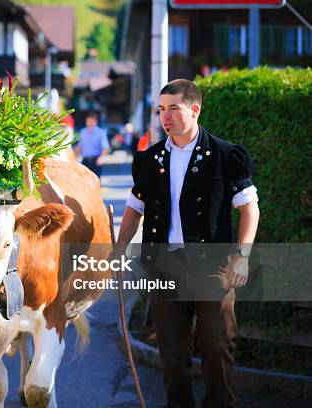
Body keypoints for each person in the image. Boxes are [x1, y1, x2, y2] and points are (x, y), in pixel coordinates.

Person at [113, 79, 260, 408]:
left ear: (195, 110)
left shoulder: (224, 155)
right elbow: (134, 211)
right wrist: (118, 251)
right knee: (171, 352)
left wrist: (242, 256)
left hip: (213, 267)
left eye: (173, 109)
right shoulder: (150, 160)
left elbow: (250, 209)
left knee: (216, 347)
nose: (165, 117)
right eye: (161, 110)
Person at [74, 112, 109, 176]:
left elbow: (105, 147)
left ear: (95, 121)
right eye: (88, 121)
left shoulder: (100, 132)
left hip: (96, 160)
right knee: (84, 181)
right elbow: (80, 146)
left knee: (95, 182)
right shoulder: (83, 132)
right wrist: (75, 158)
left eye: (91, 121)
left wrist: (101, 158)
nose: (89, 123)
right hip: (85, 160)